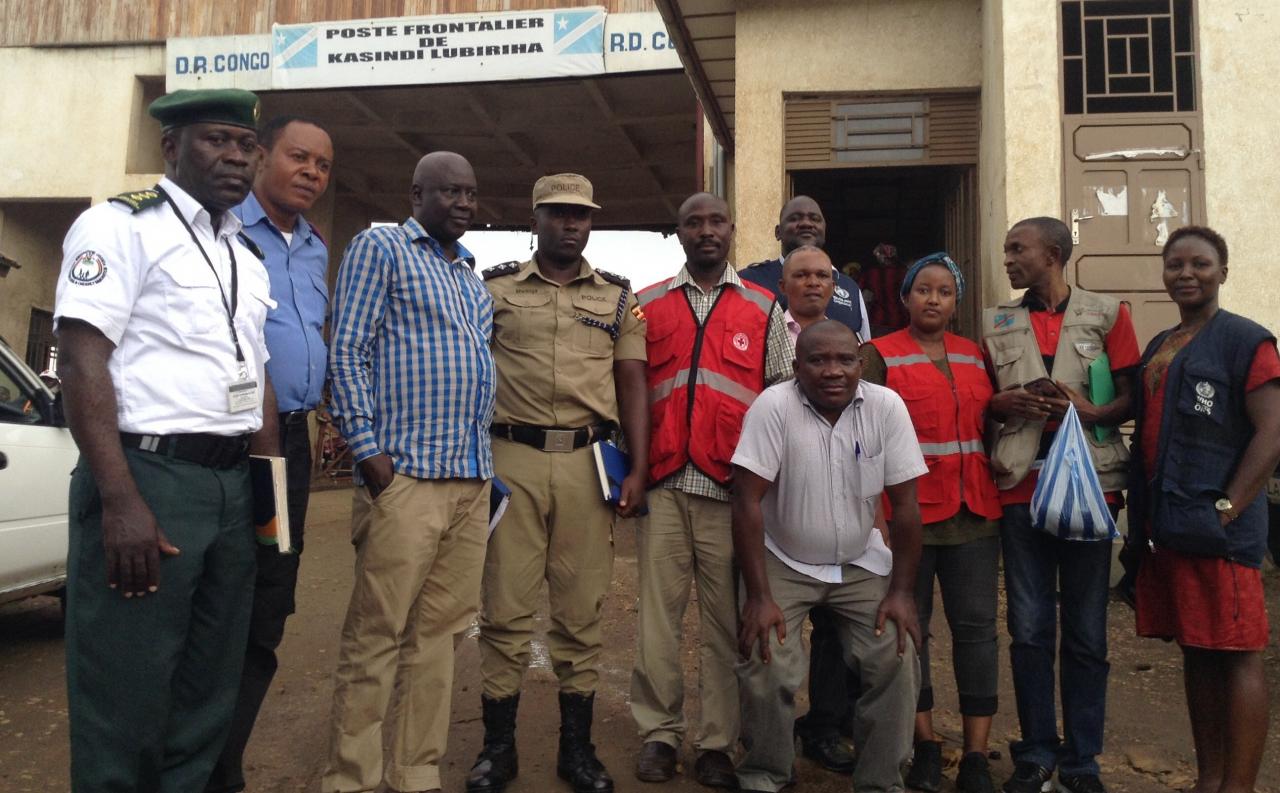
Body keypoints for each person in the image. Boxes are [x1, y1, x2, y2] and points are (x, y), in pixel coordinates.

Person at [55, 88, 279, 791]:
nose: (236, 157)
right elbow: (83, 358)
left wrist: (269, 510)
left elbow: (256, 377)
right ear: (171, 147)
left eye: (246, 145)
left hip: (229, 486)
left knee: (207, 688)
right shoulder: (117, 227)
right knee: (126, 687)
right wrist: (119, 497)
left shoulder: (244, 252)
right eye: (217, 139)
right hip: (149, 476)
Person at [468, 174, 650, 793]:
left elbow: (632, 383)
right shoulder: (492, 288)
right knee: (506, 606)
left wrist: (641, 467)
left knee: (580, 608)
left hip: (585, 462)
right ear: (535, 219)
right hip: (508, 459)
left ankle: (578, 750)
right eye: (558, 214)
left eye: (581, 215)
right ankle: (498, 749)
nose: (571, 224)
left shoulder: (618, 299)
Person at [322, 151, 494, 793]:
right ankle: (350, 778)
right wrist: (367, 452)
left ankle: (416, 773)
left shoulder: (470, 277)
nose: (463, 203)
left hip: (469, 481)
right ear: (416, 192)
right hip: (407, 479)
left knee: (441, 640)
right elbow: (349, 349)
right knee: (377, 635)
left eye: (471, 193)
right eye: (449, 191)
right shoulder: (382, 248)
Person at [630, 192, 793, 788]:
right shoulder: (646, 306)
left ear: (731, 230)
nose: (705, 231)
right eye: (693, 222)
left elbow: (781, 400)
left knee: (727, 623)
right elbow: (628, 394)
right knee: (658, 620)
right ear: (678, 233)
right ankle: (660, 733)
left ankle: (718, 743)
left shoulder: (765, 307)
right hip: (666, 485)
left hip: (732, 493)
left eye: (716, 222)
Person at [731, 320, 926, 793]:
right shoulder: (773, 407)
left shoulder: (886, 407)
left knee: (895, 655)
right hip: (786, 560)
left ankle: (881, 782)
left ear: (861, 363)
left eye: (844, 360)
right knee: (768, 657)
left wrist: (901, 593)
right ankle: (765, 774)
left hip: (860, 560)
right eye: (818, 361)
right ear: (797, 367)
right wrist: (758, 596)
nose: (832, 371)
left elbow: (905, 507)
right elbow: (746, 502)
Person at [982, 217, 1140, 793]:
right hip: (1020, 487)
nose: (1008, 259)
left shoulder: (1106, 313)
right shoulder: (996, 322)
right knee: (1027, 629)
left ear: (1052, 254)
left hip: (1092, 488)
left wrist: (1089, 410)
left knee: (1086, 632)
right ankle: (1037, 753)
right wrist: (1001, 403)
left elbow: (1130, 394)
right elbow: (981, 404)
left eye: (1016, 248)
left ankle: (1081, 761)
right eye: (1006, 250)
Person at [207, 113, 334, 793]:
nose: (311, 172)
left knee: (270, 592)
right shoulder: (226, 231)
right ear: (263, 158)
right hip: (232, 447)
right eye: (298, 157)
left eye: (322, 165)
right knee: (220, 594)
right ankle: (194, 759)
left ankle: (224, 763)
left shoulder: (314, 247)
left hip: (288, 450)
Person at [1128, 226, 1280, 793]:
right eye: (1175, 265)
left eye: (1200, 264)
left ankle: (1236, 786)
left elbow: (1272, 431)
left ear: (1223, 271)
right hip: (1172, 524)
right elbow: (1143, 411)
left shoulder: (1247, 340)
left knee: (1238, 653)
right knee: (1197, 649)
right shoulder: (1164, 342)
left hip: (1222, 529)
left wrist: (1230, 505)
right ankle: (1209, 779)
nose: (1186, 273)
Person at [861, 253, 1002, 793]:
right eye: (923, 289)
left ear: (956, 301)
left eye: (944, 291)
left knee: (977, 632)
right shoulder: (880, 355)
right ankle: (923, 743)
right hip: (909, 519)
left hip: (974, 517)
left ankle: (975, 755)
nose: (934, 299)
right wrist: (875, 512)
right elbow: (863, 438)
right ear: (905, 297)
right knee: (909, 629)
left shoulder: (975, 356)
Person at [742, 197, 870, 775]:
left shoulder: (850, 314)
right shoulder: (758, 307)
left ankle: (824, 727)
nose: (814, 283)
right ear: (782, 281)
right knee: (766, 622)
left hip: (845, 487)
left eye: (822, 274)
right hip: (774, 487)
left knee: (836, 625)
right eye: (802, 275)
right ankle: (764, 741)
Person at [740, 194, 871, 341]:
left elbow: (863, 349)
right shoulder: (748, 281)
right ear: (778, 232)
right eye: (795, 218)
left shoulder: (849, 288)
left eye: (814, 219)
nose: (806, 224)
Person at [863, 242, 909, 336]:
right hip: (899, 320)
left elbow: (858, 290)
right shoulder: (904, 273)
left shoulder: (871, 273)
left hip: (877, 320)